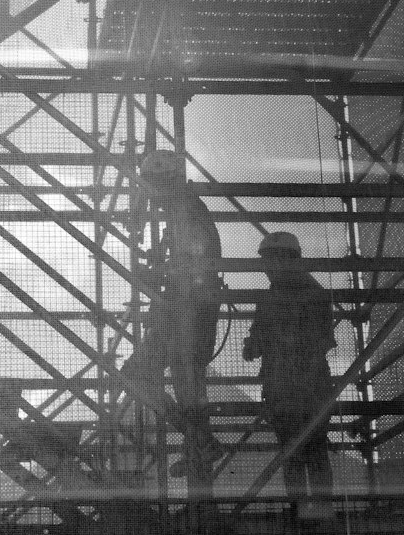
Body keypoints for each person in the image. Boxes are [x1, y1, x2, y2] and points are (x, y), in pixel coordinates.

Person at [122, 149, 224, 483]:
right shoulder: (186, 208)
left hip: (186, 307)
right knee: (185, 379)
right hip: (190, 306)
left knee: (138, 374)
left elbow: (193, 261)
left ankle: (198, 441)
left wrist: (157, 273)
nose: (148, 193)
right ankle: (197, 444)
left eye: (150, 184)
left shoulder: (184, 210)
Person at [243, 232, 336, 514]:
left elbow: (255, 346)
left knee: (294, 452)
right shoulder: (314, 291)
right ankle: (320, 509)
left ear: (284, 259)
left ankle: (301, 509)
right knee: (314, 450)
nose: (265, 268)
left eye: (268, 261)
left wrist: (256, 345)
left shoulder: (274, 297)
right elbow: (323, 340)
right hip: (311, 387)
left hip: (286, 388)